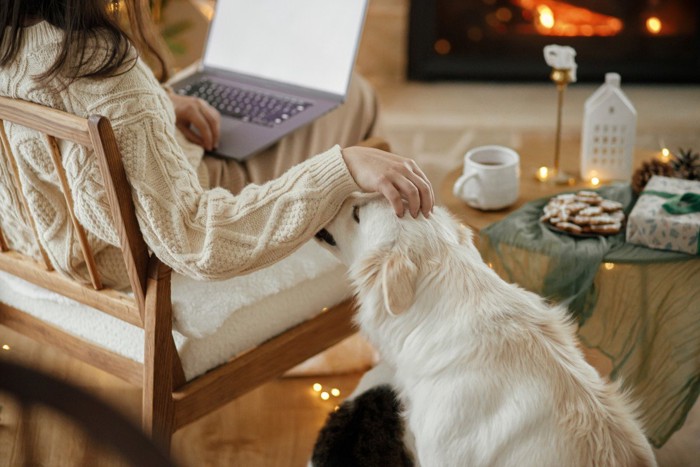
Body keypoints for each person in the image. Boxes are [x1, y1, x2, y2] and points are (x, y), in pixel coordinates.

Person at [0, 0, 434, 289]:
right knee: (356, 95)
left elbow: (64, 121)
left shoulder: (15, 44)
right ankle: (373, 294)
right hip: (152, 232)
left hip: (43, 240)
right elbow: (196, 240)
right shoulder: (99, 66)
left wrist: (163, 103)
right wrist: (344, 168)